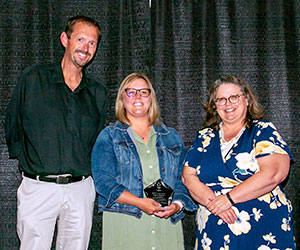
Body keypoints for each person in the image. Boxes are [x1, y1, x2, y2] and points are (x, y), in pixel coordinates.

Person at [5, 16, 107, 250]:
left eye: (92, 43)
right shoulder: (33, 79)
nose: (86, 48)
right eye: (80, 39)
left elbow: (98, 139)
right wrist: (30, 161)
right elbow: (13, 122)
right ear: (65, 39)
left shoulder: (98, 92)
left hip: (81, 189)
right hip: (39, 187)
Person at [182, 76, 296, 250]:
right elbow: (187, 176)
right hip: (214, 228)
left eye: (234, 97)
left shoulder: (263, 131)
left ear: (247, 100)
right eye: (221, 99)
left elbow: (274, 174)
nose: (228, 104)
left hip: (261, 227)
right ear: (214, 105)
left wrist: (228, 199)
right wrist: (215, 204)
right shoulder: (204, 137)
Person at [91, 72, 196, 250]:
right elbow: (103, 182)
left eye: (144, 92)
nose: (138, 96)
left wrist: (177, 205)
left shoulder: (171, 136)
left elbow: (184, 178)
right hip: (126, 224)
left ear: (151, 98)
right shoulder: (109, 136)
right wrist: (139, 202)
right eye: (131, 92)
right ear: (122, 99)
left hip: (166, 225)